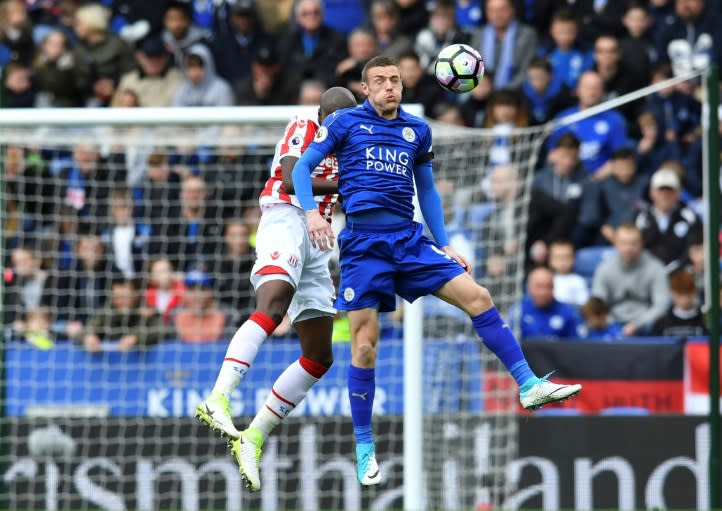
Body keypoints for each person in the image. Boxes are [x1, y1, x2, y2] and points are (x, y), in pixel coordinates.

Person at [292, 55, 581, 486]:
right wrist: (313, 214)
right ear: (366, 89)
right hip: (365, 248)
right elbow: (300, 168)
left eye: (395, 80)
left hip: (409, 241)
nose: (389, 86)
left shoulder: (417, 131)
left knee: (479, 297)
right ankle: (365, 446)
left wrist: (444, 243)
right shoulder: (345, 124)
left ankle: (528, 384)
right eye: (380, 81)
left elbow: (426, 190)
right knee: (365, 346)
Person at [194, 87, 358, 492]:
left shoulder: (351, 149)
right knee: (273, 303)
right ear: (321, 115)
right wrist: (346, 183)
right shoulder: (304, 126)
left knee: (319, 356)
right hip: (286, 218)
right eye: (334, 119)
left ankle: (254, 436)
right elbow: (290, 175)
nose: (340, 127)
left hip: (319, 241)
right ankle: (219, 397)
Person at [518, 266, 583, 340]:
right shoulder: (518, 312)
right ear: (529, 288)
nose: (543, 292)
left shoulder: (568, 312)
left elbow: (577, 345)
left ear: (553, 288)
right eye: (539, 286)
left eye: (548, 286)